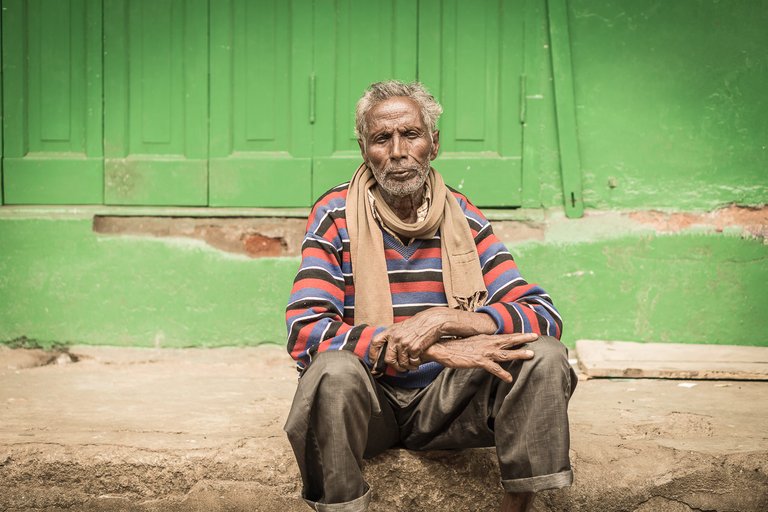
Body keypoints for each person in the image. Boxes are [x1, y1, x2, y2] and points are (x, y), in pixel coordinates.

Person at [284, 80, 576, 512]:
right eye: (383, 138)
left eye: (412, 135)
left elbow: (543, 315)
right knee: (332, 373)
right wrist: (433, 348)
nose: (398, 152)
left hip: (448, 405)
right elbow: (305, 329)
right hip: (370, 408)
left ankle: (517, 508)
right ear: (365, 149)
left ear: (433, 144)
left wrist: (449, 320)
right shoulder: (335, 214)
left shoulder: (463, 215)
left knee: (544, 354)